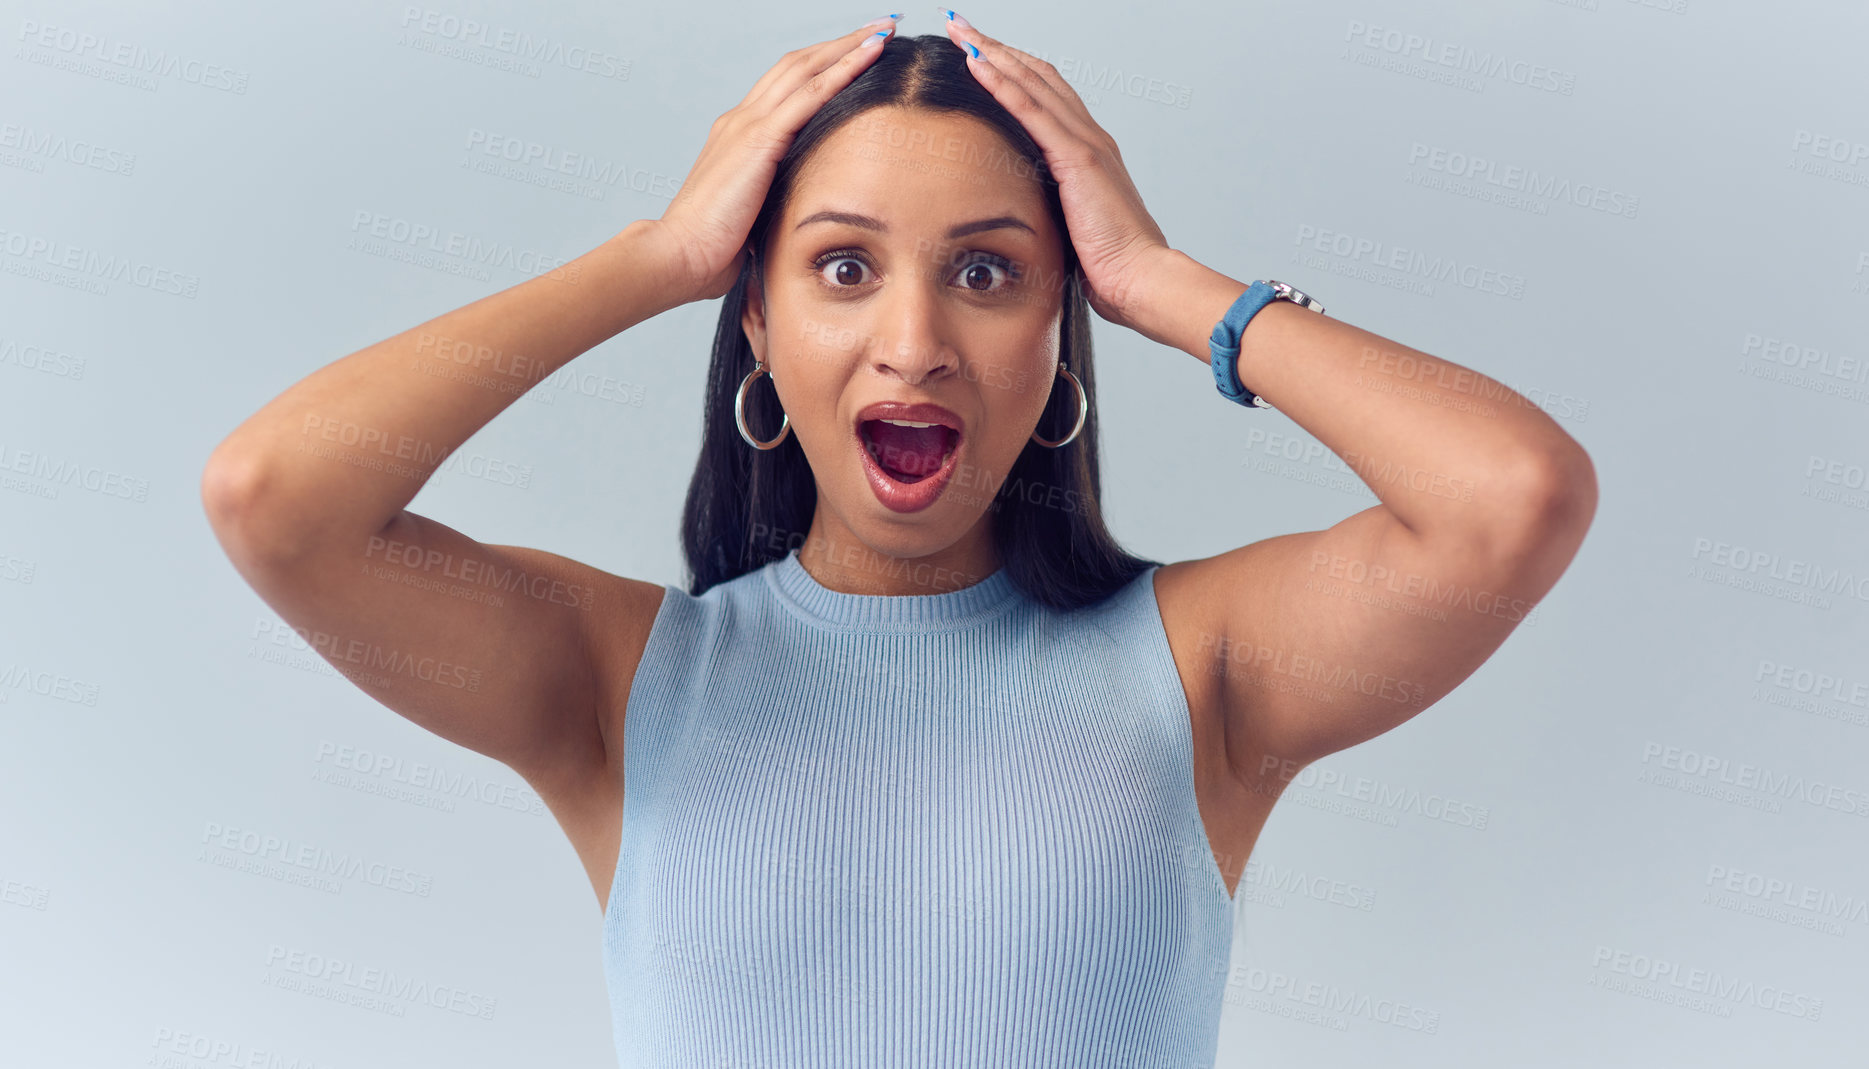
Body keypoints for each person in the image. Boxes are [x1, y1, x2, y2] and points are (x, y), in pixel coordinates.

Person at [200, 11, 1597, 1066]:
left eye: (986, 272)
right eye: (841, 267)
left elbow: (1511, 495)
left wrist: (1163, 284)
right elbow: (275, 495)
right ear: (758, 318)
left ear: (1060, 330)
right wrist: (664, 256)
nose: (914, 342)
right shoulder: (616, 684)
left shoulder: (1201, 671)